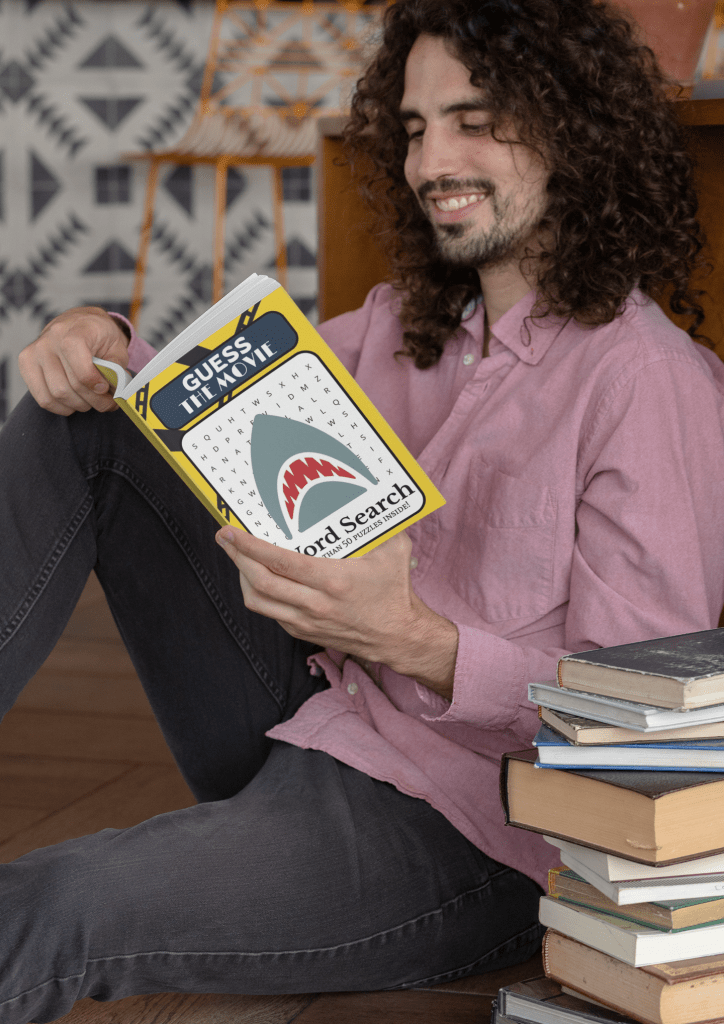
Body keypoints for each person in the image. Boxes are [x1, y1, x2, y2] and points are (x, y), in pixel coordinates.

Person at [3, 0, 724, 1020]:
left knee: (58, 902)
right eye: (417, 128)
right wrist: (100, 341)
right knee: (86, 421)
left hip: (473, 832)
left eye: (475, 121)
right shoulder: (397, 323)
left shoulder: (645, 382)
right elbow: (187, 404)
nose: (433, 162)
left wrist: (417, 642)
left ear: (575, 132)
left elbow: (640, 735)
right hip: (315, 713)